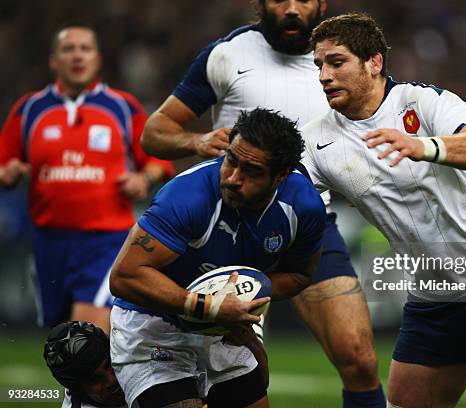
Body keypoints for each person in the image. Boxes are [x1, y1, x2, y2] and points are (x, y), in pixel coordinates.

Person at [301, 13, 466, 408]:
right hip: (434, 299)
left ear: (374, 62)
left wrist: (424, 145)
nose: (324, 75)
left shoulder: (423, 102)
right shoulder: (317, 140)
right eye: (319, 66)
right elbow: (283, 195)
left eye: (337, 62)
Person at [141, 2, 384, 406]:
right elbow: (154, 133)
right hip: (227, 232)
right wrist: (197, 141)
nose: (291, 8)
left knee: (359, 359)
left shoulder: (342, 62)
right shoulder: (228, 55)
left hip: (307, 224)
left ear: (322, 4)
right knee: (232, 381)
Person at [109, 108, 326, 408]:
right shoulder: (187, 197)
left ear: (281, 175)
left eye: (251, 171)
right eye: (231, 161)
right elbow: (124, 277)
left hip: (223, 327)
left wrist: (243, 304)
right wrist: (207, 306)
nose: (233, 178)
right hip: (153, 324)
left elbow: (300, 275)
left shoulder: (304, 208)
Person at [0, 24, 173, 333]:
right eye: (68, 49)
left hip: (104, 240)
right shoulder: (29, 110)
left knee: (85, 332)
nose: (77, 56)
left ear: (97, 58)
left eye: (85, 49)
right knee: (60, 336)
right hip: (47, 241)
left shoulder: (121, 107)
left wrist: (143, 179)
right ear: (54, 60)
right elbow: (3, 164)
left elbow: (158, 159)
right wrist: (7, 174)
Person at [44, 320, 266, 408]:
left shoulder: (144, 352)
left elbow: (257, 387)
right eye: (96, 380)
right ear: (77, 390)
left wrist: (250, 341)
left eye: (109, 365)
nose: (111, 381)